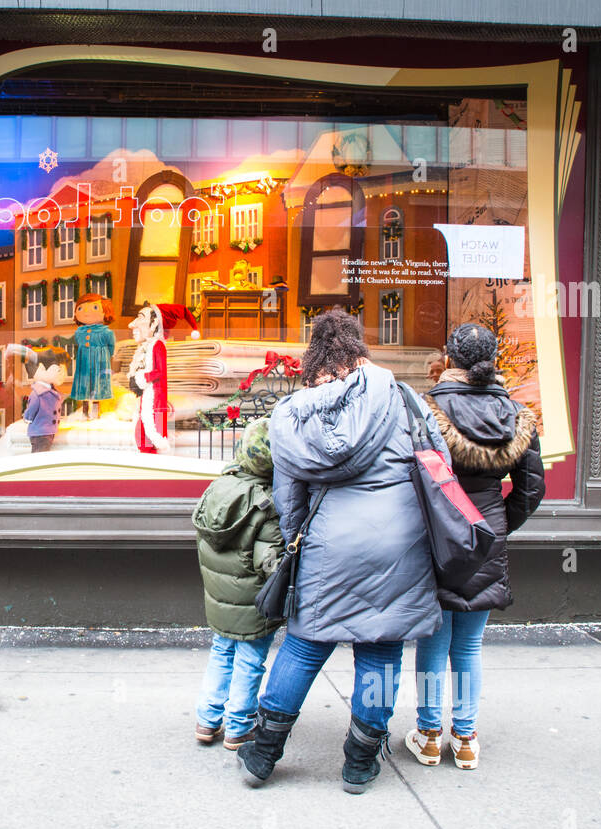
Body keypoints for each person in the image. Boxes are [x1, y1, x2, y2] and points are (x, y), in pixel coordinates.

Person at [236, 309, 449, 794]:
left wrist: (299, 541)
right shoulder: (403, 398)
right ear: (359, 350)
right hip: (400, 547)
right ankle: (359, 762)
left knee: (305, 644)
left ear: (315, 358)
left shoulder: (295, 411)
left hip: (329, 548)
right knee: (380, 648)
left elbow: (288, 498)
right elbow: (439, 463)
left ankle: (262, 754)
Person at [405, 323, 545, 770]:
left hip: (435, 533)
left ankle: (428, 735)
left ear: (449, 359)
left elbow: (408, 476)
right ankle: (465, 738)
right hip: (488, 534)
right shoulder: (518, 415)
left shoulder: (427, 410)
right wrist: (497, 526)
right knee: (468, 646)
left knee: (433, 638)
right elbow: (530, 491)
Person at [192, 416, 283, 750]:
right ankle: (239, 726)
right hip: (252, 604)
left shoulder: (217, 488)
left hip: (219, 599)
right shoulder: (266, 504)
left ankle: (207, 718)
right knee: (249, 660)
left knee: (220, 653)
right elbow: (268, 562)